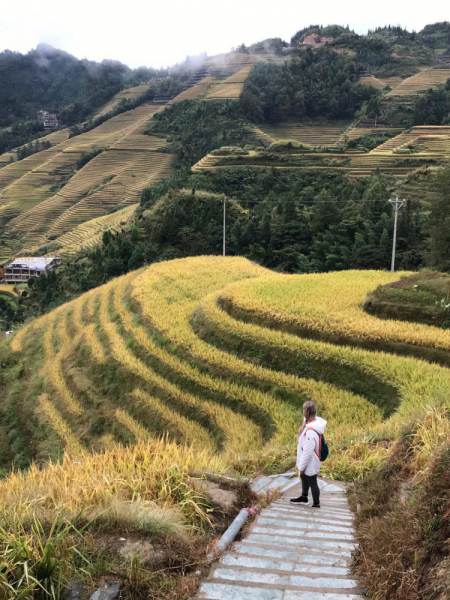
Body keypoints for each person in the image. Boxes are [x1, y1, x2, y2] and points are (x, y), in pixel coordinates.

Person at [290, 401, 327, 508]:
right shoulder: (312, 422)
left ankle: (316, 504)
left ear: (307, 412)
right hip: (306, 461)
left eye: (303, 410)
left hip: (309, 462)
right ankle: (304, 497)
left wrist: (301, 467)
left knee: (313, 482)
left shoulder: (311, 431)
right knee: (304, 477)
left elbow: (308, 451)